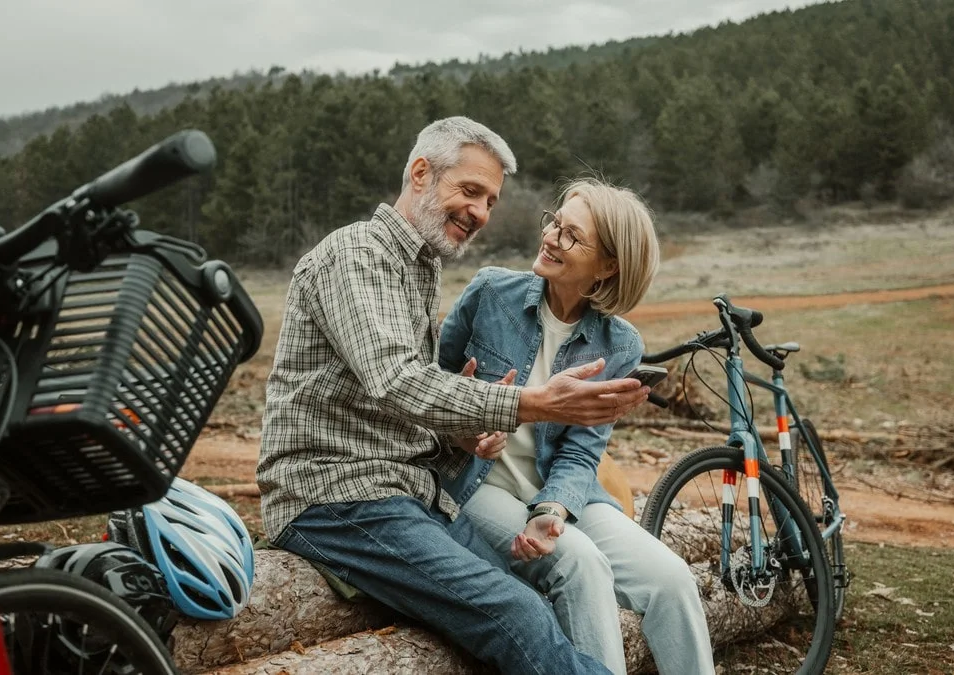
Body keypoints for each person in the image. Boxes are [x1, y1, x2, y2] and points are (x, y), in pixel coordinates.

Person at [256, 117, 651, 674]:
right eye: (470, 190)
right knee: (517, 614)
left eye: (490, 201)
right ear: (421, 173)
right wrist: (533, 403)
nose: (481, 212)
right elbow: (396, 381)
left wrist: (460, 436)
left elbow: (394, 409)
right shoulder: (356, 255)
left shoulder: (417, 268)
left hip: (403, 493)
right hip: (335, 496)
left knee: (529, 599)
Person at [439, 178, 715, 674]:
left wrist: (552, 509)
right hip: (477, 484)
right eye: (555, 223)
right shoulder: (490, 292)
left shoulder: (621, 344)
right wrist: (466, 417)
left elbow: (582, 452)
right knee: (579, 563)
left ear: (607, 266)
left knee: (673, 579)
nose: (550, 238)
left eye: (571, 236)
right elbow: (430, 383)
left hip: (563, 491)